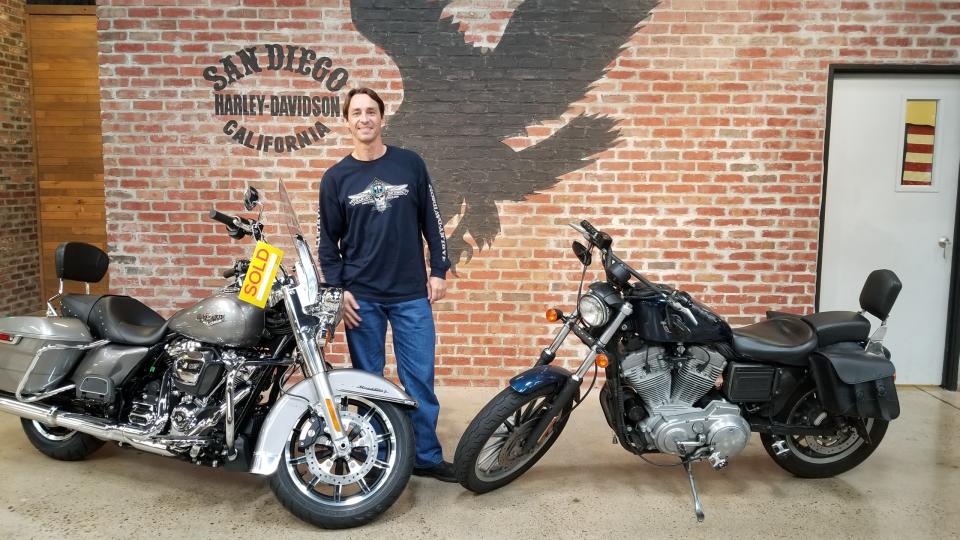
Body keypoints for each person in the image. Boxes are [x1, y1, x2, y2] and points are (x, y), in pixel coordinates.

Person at [317, 87, 454, 482]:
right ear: (347, 121)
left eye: (371, 111)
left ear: (381, 117)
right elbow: (328, 244)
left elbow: (434, 222)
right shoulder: (336, 178)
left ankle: (425, 457)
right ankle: (380, 457)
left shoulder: (410, 164)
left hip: (411, 294)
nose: (364, 118)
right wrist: (338, 290)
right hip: (363, 299)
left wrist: (439, 270)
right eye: (357, 112)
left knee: (419, 382)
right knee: (369, 383)